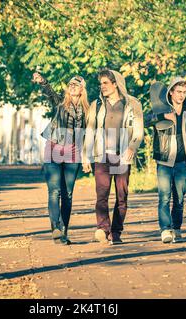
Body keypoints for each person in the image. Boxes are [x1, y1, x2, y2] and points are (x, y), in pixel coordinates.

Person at [82, 69, 144, 245]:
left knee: (122, 196)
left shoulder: (132, 104)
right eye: (100, 83)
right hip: (102, 156)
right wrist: (85, 156)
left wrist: (132, 146)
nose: (102, 87)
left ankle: (116, 232)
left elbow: (139, 130)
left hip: (123, 156)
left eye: (105, 83)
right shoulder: (97, 105)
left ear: (115, 84)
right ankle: (103, 228)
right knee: (101, 194)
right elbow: (90, 130)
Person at [145, 77, 186, 244]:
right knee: (164, 196)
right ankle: (165, 229)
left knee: (179, 198)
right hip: (164, 161)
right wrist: (163, 116)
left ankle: (176, 228)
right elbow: (145, 120)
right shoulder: (161, 110)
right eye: (178, 92)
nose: (182, 95)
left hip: (182, 162)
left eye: (185, 92)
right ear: (171, 92)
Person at [33, 72, 89, 245]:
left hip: (74, 152)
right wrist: (43, 82)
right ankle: (56, 227)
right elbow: (50, 92)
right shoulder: (60, 104)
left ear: (82, 90)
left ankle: (63, 231)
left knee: (68, 194)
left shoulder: (88, 110)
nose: (72, 86)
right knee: (54, 191)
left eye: (76, 84)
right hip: (54, 149)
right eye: (70, 84)